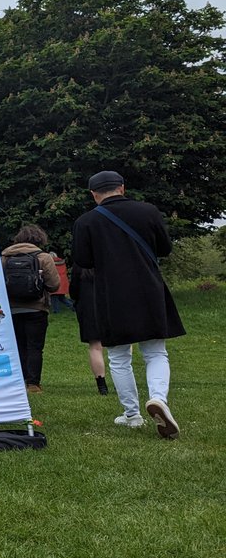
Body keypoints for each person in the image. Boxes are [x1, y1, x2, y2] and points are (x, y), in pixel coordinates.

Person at [71, 171, 184, 438]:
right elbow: (165, 249)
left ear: (93, 194)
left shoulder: (86, 221)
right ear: (122, 188)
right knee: (155, 352)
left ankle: (132, 414)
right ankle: (158, 399)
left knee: (119, 357)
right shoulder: (148, 211)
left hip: (111, 294)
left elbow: (83, 261)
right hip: (149, 290)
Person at [1, 225, 61, 394]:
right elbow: (54, 285)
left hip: (12, 309)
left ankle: (19, 381)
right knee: (34, 347)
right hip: (36, 308)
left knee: (18, 346)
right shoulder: (43, 257)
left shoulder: (4, 257)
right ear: (40, 239)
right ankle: (33, 384)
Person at [69, 262, 109, 395]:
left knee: (95, 346)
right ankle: (123, 380)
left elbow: (73, 289)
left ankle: (101, 384)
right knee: (120, 346)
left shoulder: (80, 264)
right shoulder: (110, 257)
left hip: (88, 307)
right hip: (111, 304)